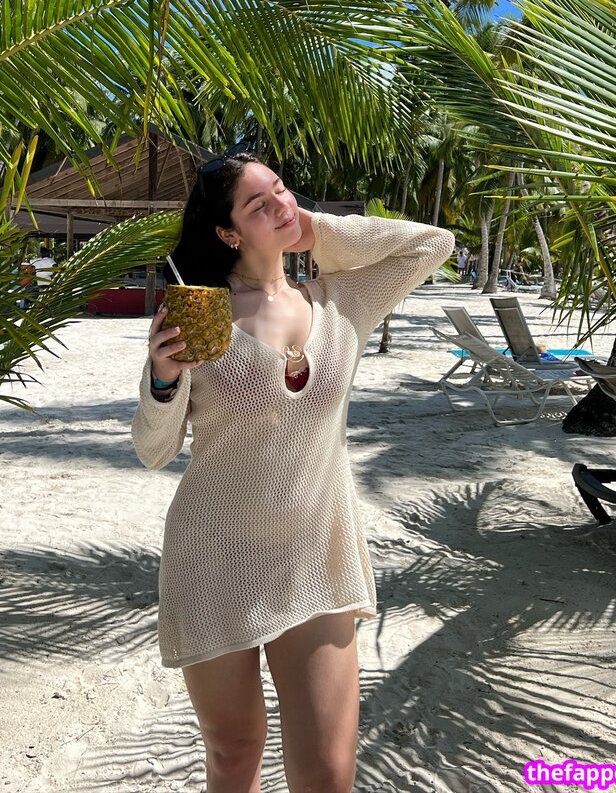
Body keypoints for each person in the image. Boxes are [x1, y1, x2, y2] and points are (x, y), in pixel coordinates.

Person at [130, 150, 454, 793]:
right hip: (213, 558)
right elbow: (154, 449)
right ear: (228, 233)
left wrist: (317, 229)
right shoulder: (202, 316)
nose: (281, 204)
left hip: (316, 560)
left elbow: (432, 244)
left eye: (281, 190)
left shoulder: (341, 302)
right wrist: (162, 379)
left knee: (328, 773)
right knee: (234, 755)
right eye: (259, 205)